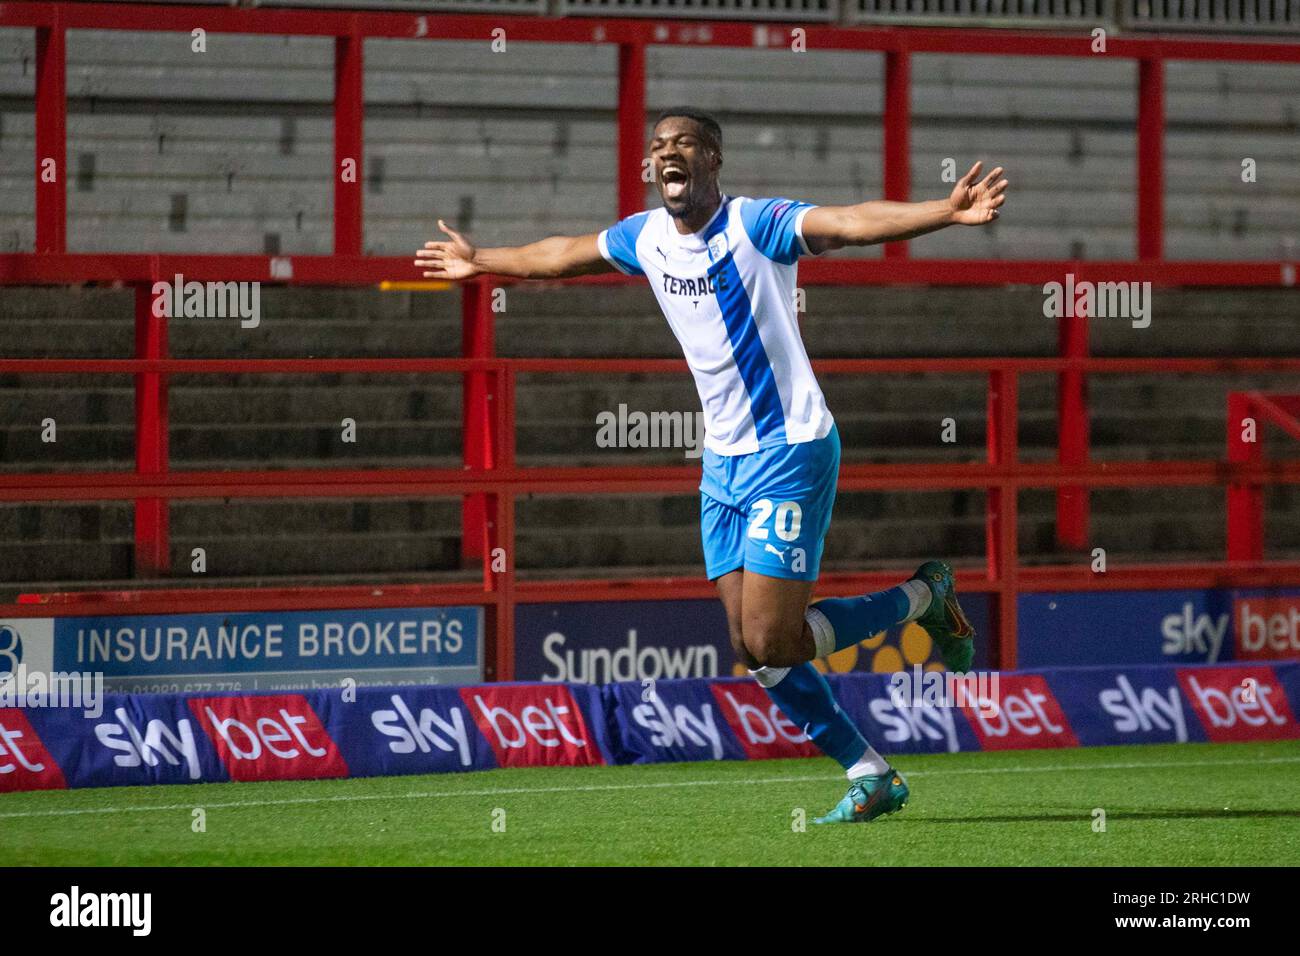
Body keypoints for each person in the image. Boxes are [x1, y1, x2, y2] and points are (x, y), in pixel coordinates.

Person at [415, 107, 1008, 823]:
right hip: (722, 462)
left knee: (771, 638)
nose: (671, 153)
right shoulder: (644, 238)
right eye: (660, 145)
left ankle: (923, 598)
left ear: (713, 160)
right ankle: (871, 772)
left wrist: (942, 211)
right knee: (756, 649)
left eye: (686, 143)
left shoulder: (756, 225)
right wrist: (481, 261)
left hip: (791, 447)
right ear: (649, 168)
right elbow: (561, 254)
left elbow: (850, 222)